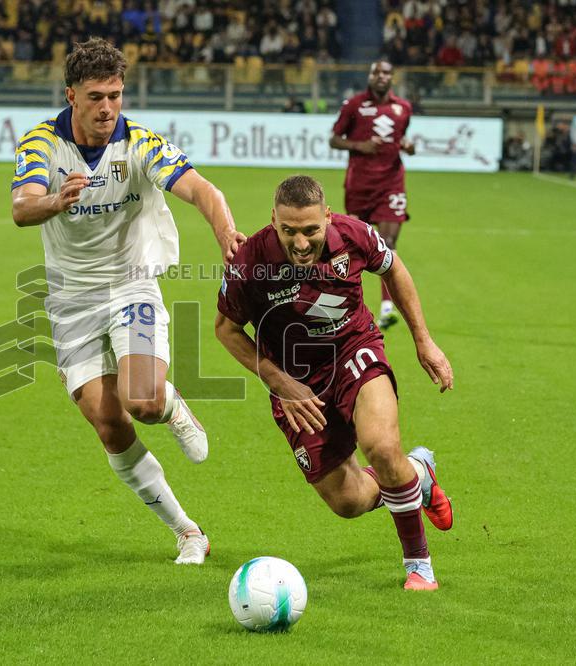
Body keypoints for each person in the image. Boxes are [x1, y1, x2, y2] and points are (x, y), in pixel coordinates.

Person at [10, 38, 245, 565]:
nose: (107, 107)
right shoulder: (40, 146)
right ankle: (188, 531)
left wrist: (226, 233)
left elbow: (204, 191)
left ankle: (172, 405)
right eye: (96, 96)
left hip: (129, 285)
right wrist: (55, 200)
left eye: (115, 95)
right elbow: (22, 209)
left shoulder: (141, 144)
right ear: (71, 95)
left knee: (141, 400)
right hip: (70, 300)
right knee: (109, 423)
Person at [215, 175, 454, 591]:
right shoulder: (250, 262)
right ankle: (418, 473)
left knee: (380, 447)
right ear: (273, 220)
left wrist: (423, 339)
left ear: (327, 217)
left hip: (354, 351)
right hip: (295, 381)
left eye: (311, 230)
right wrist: (278, 381)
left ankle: (419, 565)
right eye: (289, 231)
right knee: (348, 502)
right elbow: (225, 329)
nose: (301, 242)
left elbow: (393, 269)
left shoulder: (354, 235)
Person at [329, 60, 415, 332]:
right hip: (359, 186)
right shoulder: (354, 105)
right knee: (353, 245)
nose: (381, 76)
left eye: (386, 72)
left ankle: (387, 308)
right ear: (370, 76)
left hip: (391, 183)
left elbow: (401, 139)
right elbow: (334, 139)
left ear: (392, 78)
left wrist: (408, 146)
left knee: (387, 243)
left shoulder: (404, 108)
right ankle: (345, 305)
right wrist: (359, 145)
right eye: (376, 72)